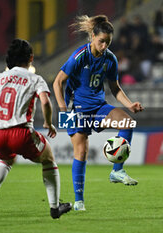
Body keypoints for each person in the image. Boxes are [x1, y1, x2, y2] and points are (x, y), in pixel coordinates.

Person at [0, 39, 72, 220]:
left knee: (5, 161)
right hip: (20, 132)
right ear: (31, 58)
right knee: (48, 159)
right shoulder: (34, 78)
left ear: (8, 60)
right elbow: (45, 101)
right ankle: (55, 207)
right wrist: (49, 123)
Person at [53, 15, 143, 211]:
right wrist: (62, 110)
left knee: (127, 123)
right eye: (101, 41)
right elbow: (58, 81)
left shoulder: (110, 59)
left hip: (98, 107)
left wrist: (129, 105)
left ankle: (117, 171)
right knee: (81, 152)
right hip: (75, 110)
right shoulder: (79, 56)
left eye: (108, 43)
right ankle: (79, 202)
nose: (104, 46)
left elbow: (115, 88)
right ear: (92, 36)